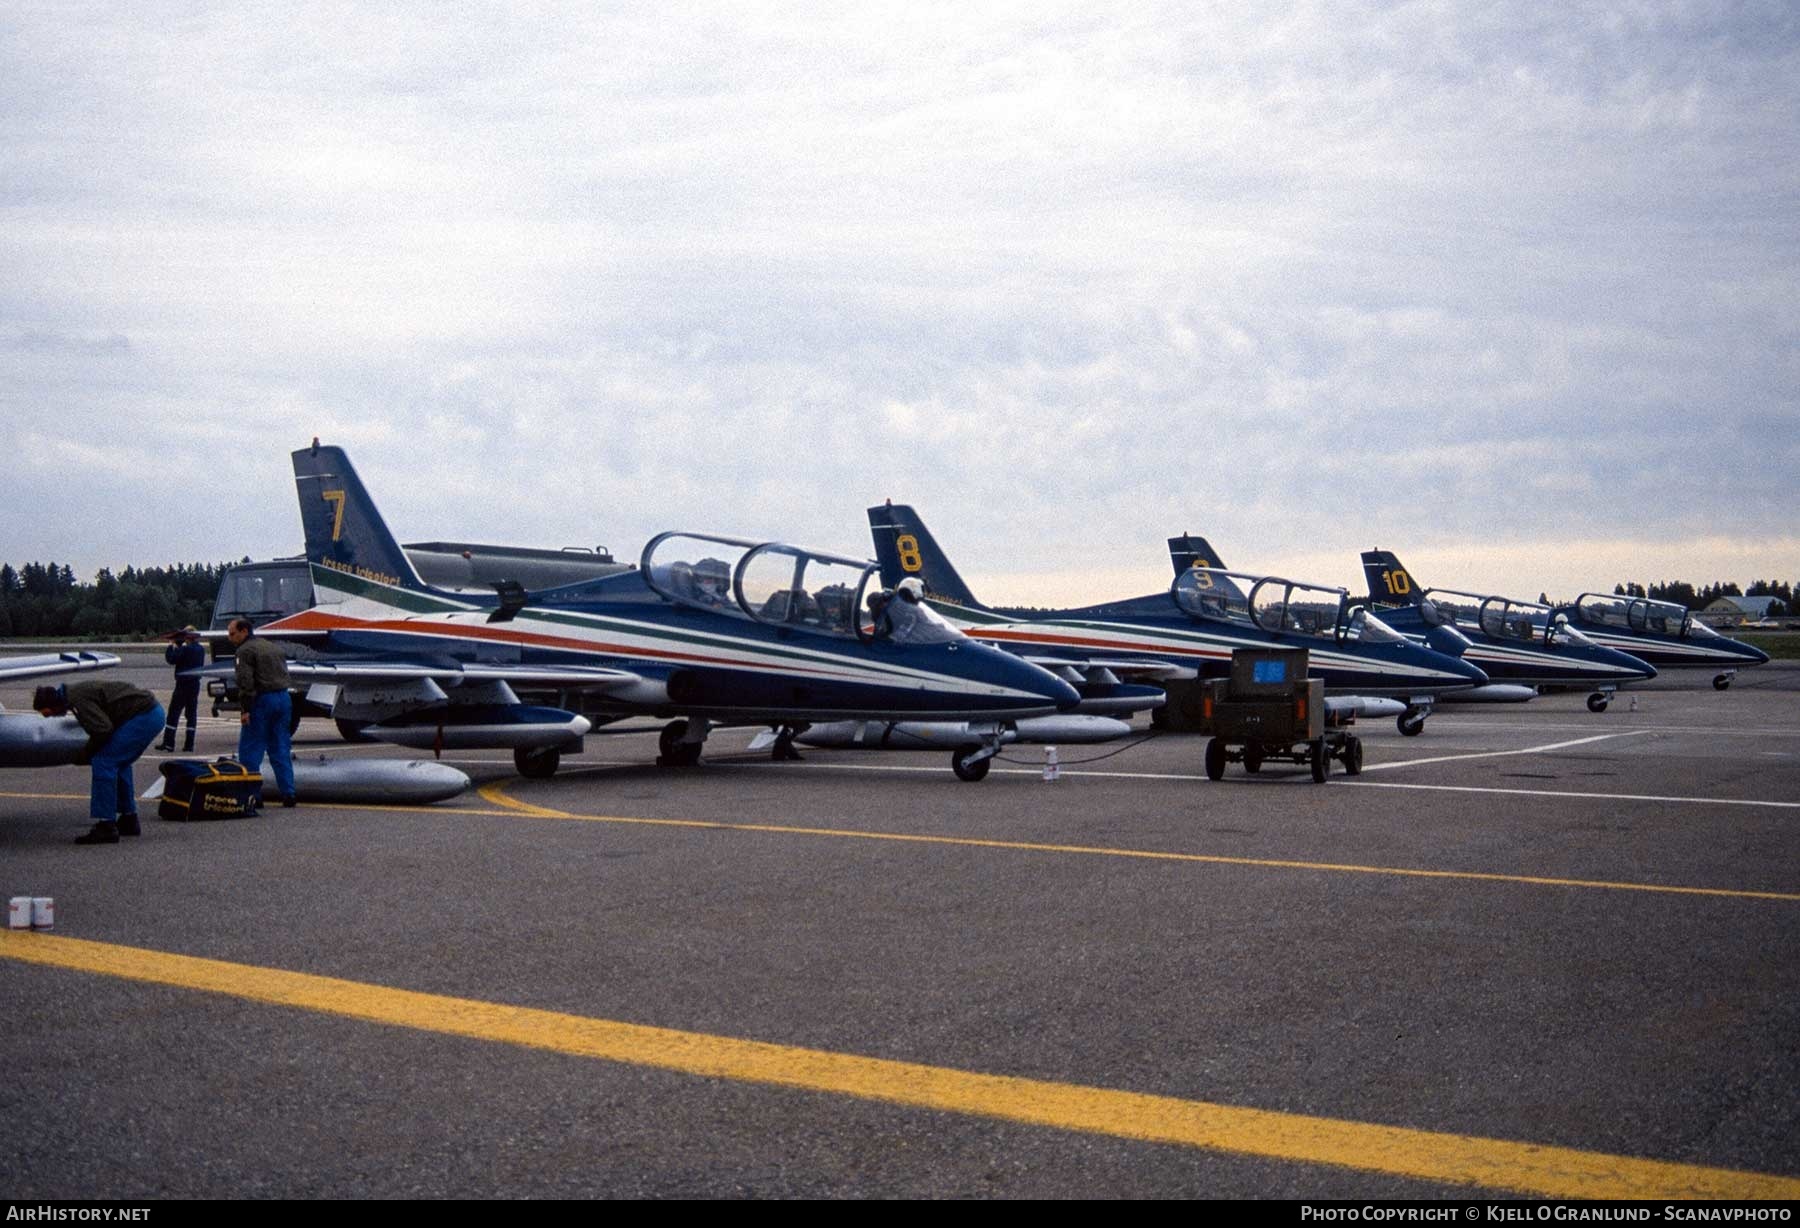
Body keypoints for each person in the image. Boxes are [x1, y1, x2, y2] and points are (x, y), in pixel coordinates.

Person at [34, 680, 166, 845]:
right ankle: (128, 819)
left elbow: (102, 729)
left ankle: (106, 826)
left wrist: (84, 755)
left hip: (143, 716)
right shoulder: (74, 693)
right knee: (120, 763)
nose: (52, 716)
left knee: (104, 762)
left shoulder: (77, 699)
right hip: (152, 713)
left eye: (48, 713)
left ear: (52, 703)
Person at [228, 618, 296, 807]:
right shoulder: (271, 647)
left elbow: (245, 682)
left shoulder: (244, 651)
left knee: (250, 749)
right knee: (281, 747)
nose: (230, 638)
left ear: (244, 631)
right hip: (283, 698)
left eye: (232, 633)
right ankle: (289, 793)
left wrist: (245, 709)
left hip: (262, 701)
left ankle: (253, 795)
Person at [160, 625, 206, 752]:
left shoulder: (186, 649)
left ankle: (169, 743)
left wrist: (171, 646)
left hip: (183, 684)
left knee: (173, 713)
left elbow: (172, 659)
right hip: (195, 684)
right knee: (191, 714)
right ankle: (189, 744)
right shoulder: (201, 649)